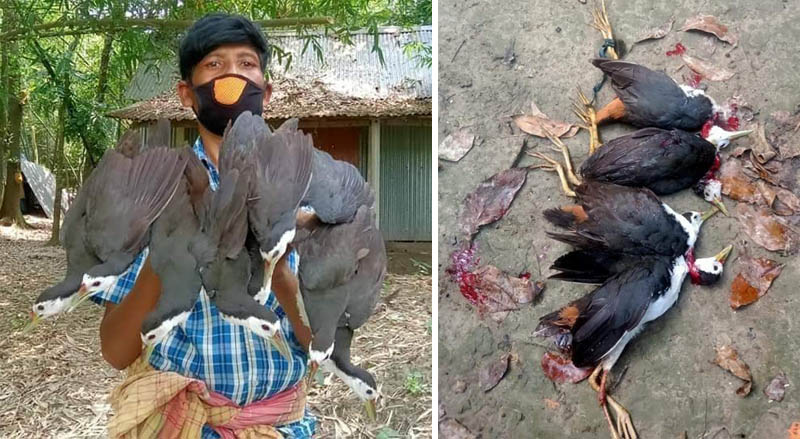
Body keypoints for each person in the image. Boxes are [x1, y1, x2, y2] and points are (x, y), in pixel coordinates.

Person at [92, 13, 315, 438]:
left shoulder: (307, 192)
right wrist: (163, 261)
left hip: (279, 426)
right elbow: (117, 351)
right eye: (214, 65)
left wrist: (281, 271)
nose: (232, 76)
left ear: (266, 91)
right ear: (186, 94)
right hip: (178, 425)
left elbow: (326, 349)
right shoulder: (149, 195)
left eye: (247, 63)